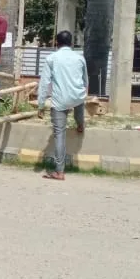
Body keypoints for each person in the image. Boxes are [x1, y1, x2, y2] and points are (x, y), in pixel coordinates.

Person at [36, 30, 88, 181]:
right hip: (77, 96)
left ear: (56, 43)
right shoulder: (80, 58)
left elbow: (44, 83)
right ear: (71, 43)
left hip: (60, 100)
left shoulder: (51, 58)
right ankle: (80, 125)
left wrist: (41, 105)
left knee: (59, 134)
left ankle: (59, 172)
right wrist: (84, 93)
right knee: (79, 106)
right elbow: (85, 80)